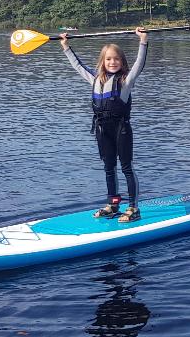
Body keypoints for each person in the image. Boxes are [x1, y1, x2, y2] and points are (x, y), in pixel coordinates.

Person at [60, 28, 148, 223]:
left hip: (121, 130)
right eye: (108, 59)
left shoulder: (126, 81)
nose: (112, 62)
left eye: (116, 59)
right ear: (103, 62)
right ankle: (113, 204)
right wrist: (66, 46)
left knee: (126, 167)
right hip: (102, 130)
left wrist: (143, 40)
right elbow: (78, 66)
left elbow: (139, 64)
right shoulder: (95, 79)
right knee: (109, 168)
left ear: (122, 62)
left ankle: (133, 208)